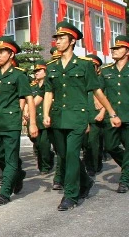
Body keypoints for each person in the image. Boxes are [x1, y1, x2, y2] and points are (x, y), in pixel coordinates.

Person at [43, 21, 120, 210]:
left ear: (72, 41)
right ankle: (86, 181)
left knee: (71, 154)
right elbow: (48, 93)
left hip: (78, 117)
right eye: (57, 39)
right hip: (58, 117)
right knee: (64, 155)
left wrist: (111, 113)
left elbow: (97, 91)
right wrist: (45, 113)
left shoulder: (84, 65)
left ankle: (70, 195)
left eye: (61, 39)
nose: (58, 42)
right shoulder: (51, 67)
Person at [0, 36, 38, 206]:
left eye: (2, 52)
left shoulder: (19, 76)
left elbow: (29, 99)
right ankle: (17, 174)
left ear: (11, 54)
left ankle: (4, 192)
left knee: (10, 158)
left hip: (11, 122)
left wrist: (32, 122)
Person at [100, 36, 129, 193]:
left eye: (118, 48)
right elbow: (99, 91)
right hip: (112, 117)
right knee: (111, 146)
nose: (114, 51)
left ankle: (124, 180)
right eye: (113, 48)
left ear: (127, 51)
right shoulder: (106, 71)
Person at [27, 60, 55, 174]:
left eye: (39, 70)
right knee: (37, 144)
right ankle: (44, 160)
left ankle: (45, 166)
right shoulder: (32, 87)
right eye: (35, 71)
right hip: (35, 119)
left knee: (44, 143)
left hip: (46, 118)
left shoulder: (49, 85)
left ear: (45, 71)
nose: (36, 73)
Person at [82, 54, 105, 177]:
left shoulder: (101, 79)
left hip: (96, 116)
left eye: (94, 66)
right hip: (84, 115)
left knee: (94, 143)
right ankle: (89, 164)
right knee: (85, 143)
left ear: (97, 68)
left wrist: (102, 112)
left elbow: (107, 97)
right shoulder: (82, 79)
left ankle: (93, 166)